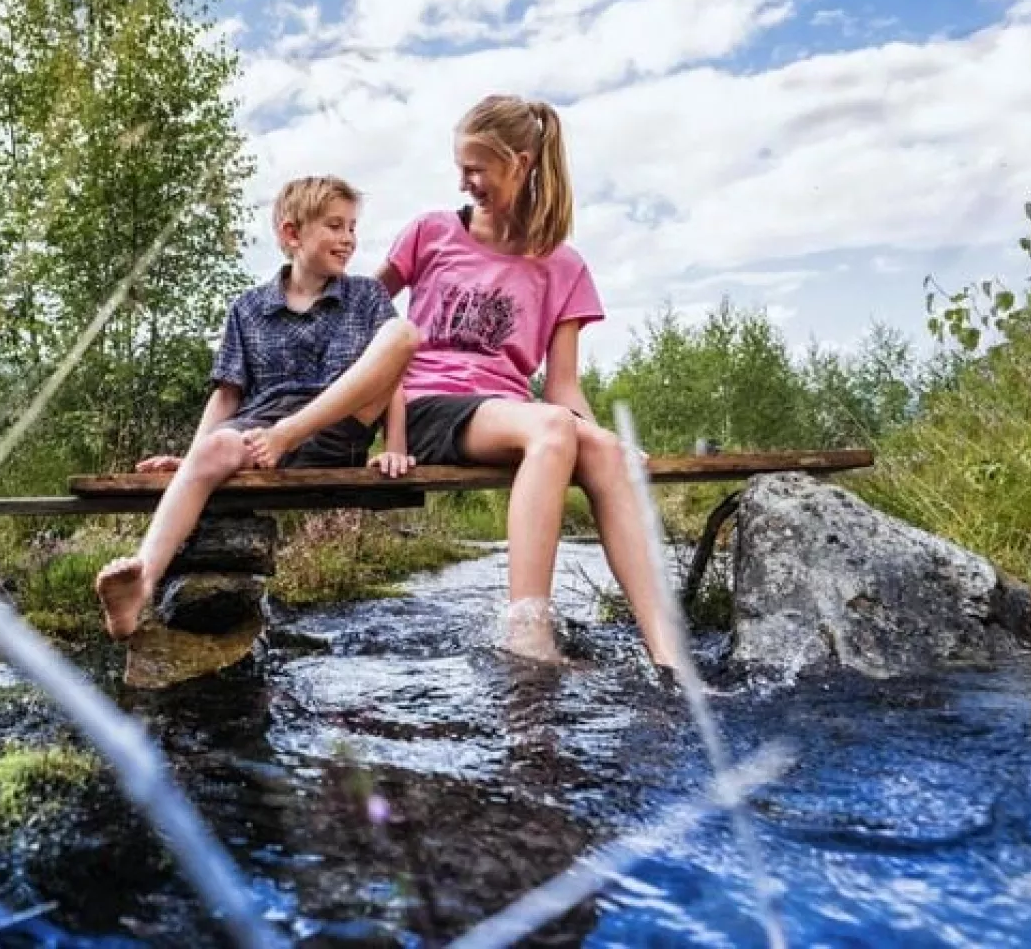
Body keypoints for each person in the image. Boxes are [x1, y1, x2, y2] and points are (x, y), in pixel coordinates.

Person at [376, 95, 675, 666]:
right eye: (459, 167)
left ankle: (666, 652)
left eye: (475, 169)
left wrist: (601, 436)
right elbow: (357, 315)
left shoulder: (564, 265)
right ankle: (526, 631)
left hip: (512, 416)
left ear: (521, 162)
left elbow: (561, 387)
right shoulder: (429, 233)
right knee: (553, 430)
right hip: (426, 407)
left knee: (605, 451)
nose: (464, 182)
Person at [94, 176, 419, 640]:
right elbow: (227, 395)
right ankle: (141, 585)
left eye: (352, 227)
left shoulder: (366, 296)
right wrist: (193, 459)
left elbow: (392, 378)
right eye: (335, 226)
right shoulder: (248, 309)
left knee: (402, 336)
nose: (349, 239)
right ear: (292, 234)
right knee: (213, 452)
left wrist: (397, 446)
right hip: (262, 431)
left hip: (338, 426)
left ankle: (285, 431)